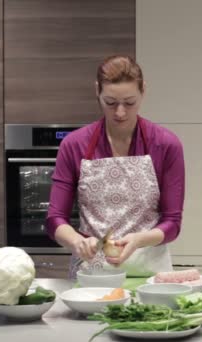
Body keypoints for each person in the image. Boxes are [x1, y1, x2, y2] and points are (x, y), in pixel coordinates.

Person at [45, 55, 185, 277]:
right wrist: (77, 242)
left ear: (143, 91)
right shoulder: (74, 145)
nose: (120, 112)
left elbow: (172, 223)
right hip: (92, 273)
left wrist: (139, 240)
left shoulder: (166, 144)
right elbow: (54, 219)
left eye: (130, 103)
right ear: (97, 91)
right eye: (110, 103)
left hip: (149, 275)